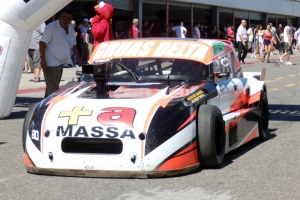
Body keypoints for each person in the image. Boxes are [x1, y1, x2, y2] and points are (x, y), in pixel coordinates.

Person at [39, 9, 81, 98]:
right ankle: (51, 105)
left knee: (52, 85)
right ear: (59, 17)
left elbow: (73, 44)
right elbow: (42, 43)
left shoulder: (71, 28)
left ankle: (44, 105)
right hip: (50, 60)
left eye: (69, 18)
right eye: (64, 17)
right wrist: (43, 59)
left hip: (61, 60)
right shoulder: (51, 27)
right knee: (54, 88)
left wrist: (78, 57)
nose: (66, 20)